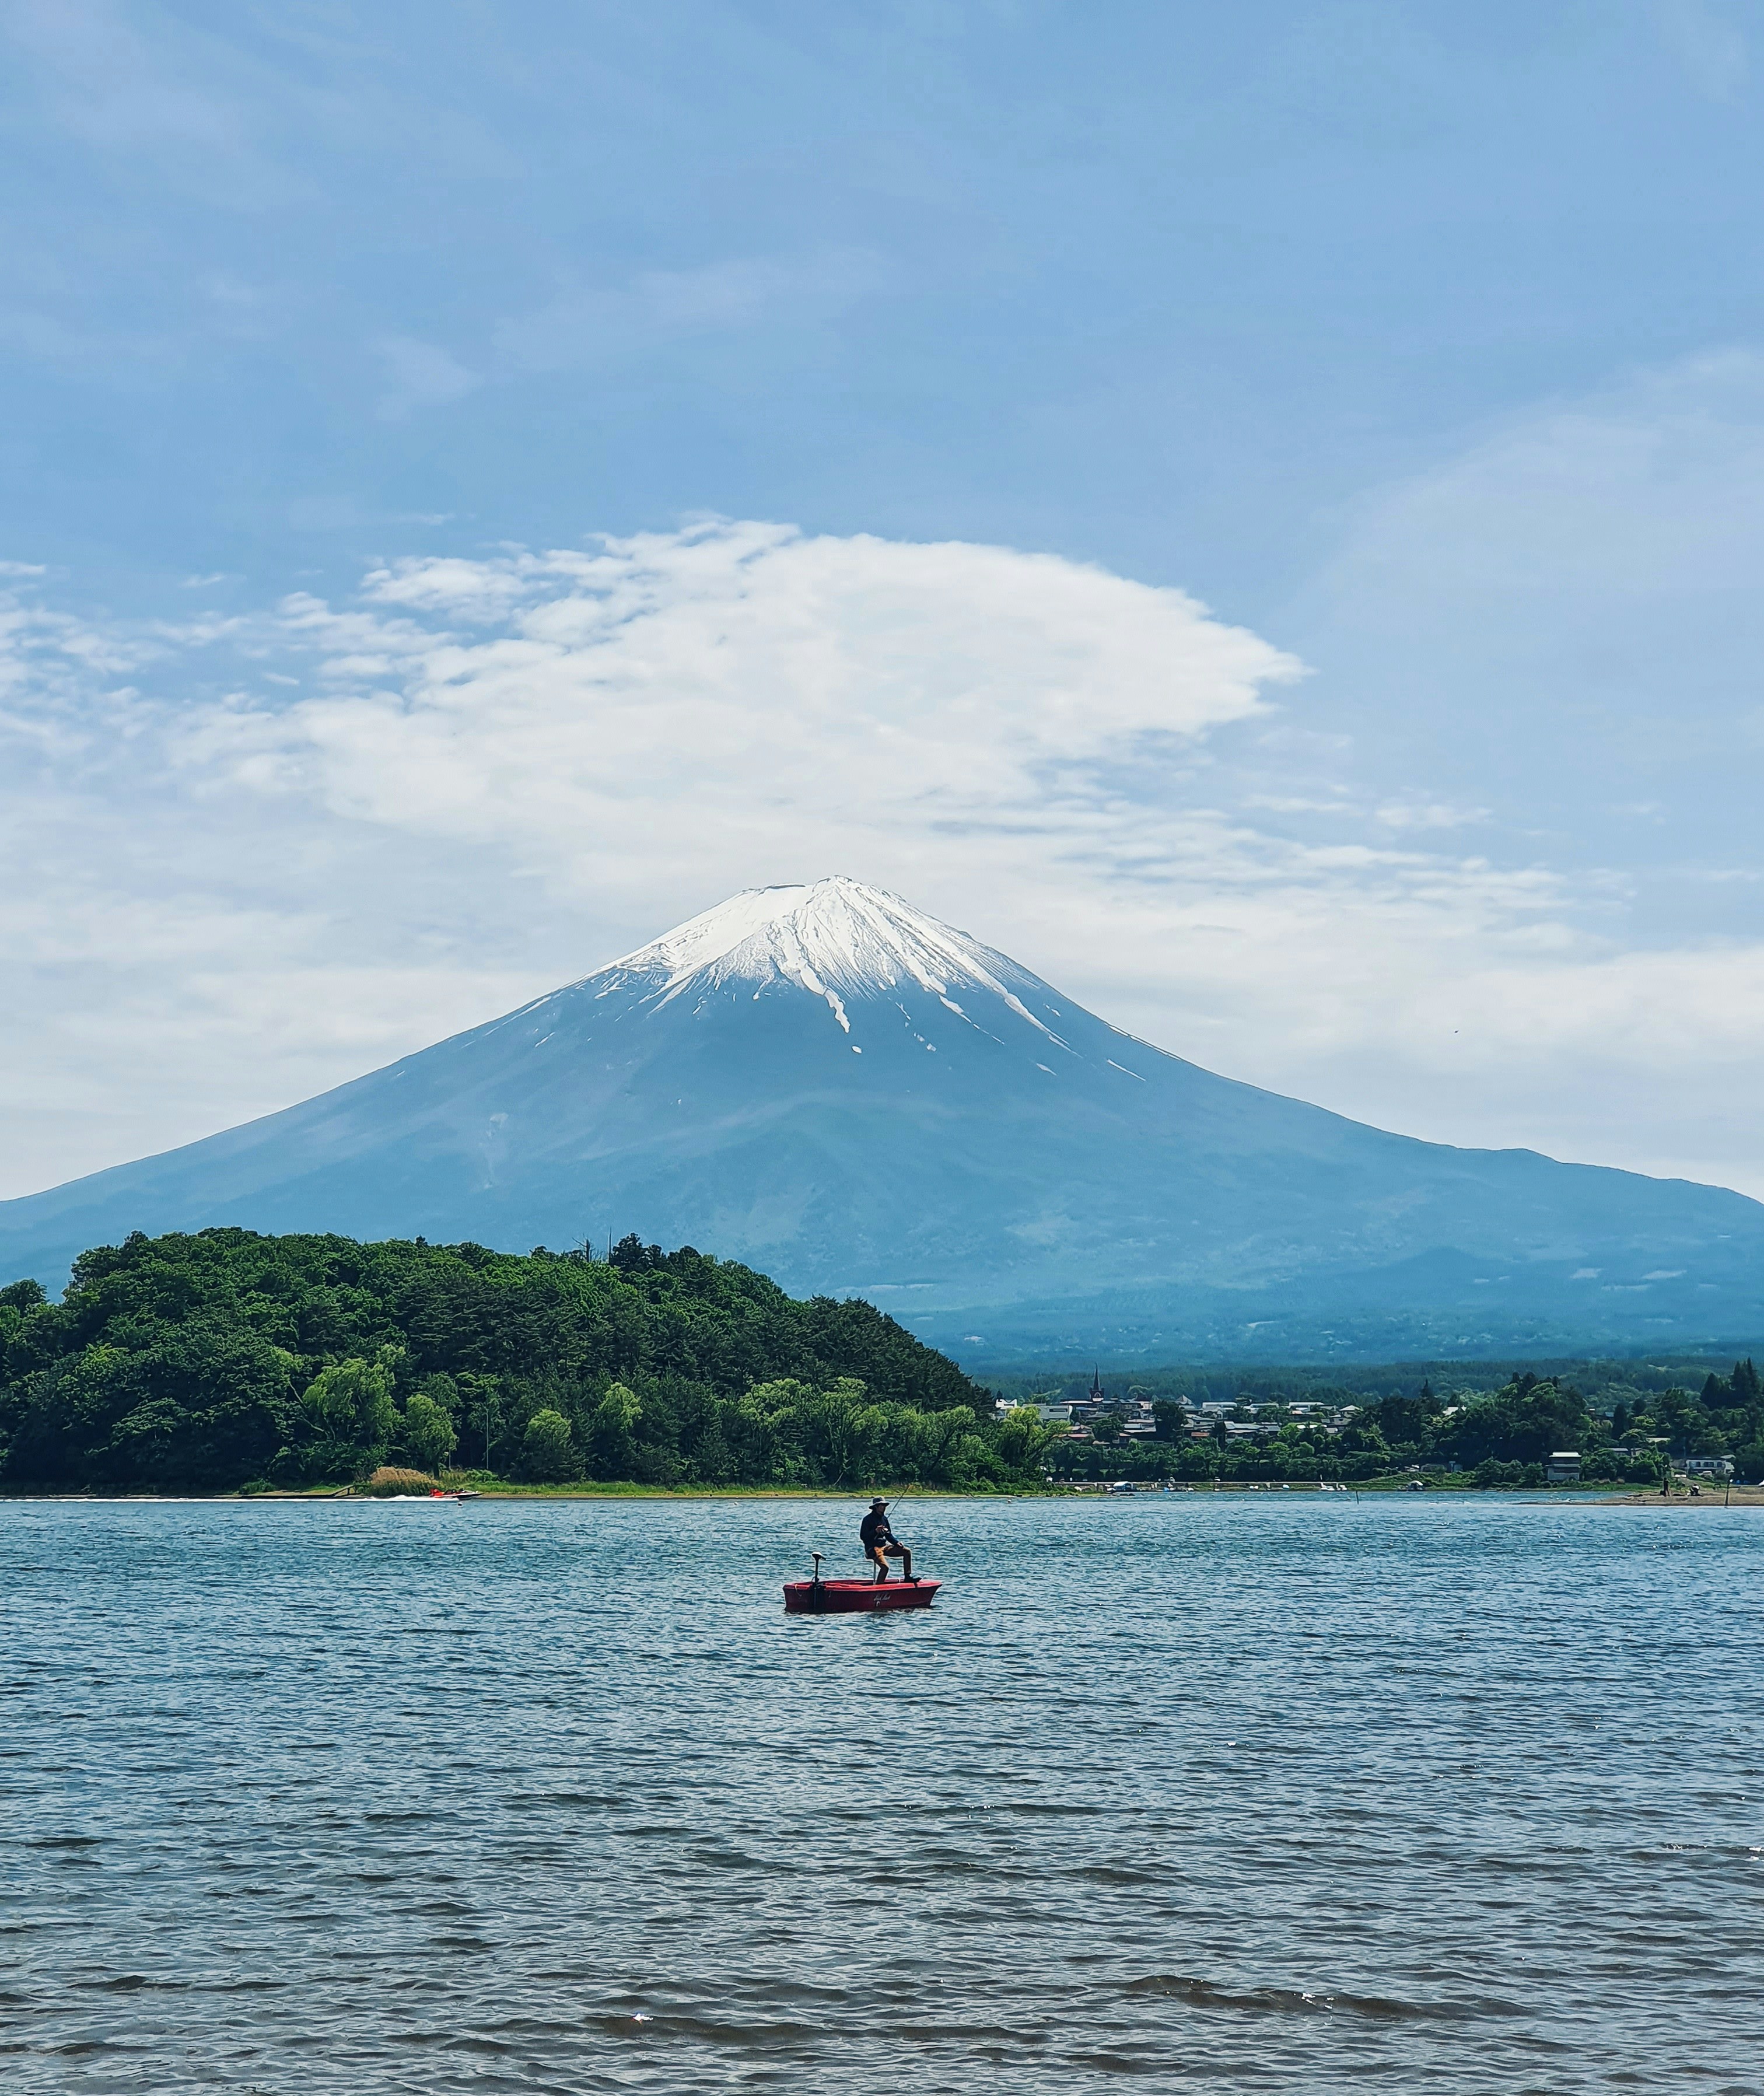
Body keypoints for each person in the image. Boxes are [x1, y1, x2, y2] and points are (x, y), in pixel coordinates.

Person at [860, 1497, 914, 1584]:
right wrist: (875, 1532)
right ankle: (878, 1587)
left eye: (885, 1506)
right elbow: (863, 1537)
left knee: (907, 1552)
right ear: (876, 1507)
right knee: (885, 1567)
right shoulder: (867, 1519)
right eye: (882, 1506)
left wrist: (896, 1542)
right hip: (873, 1549)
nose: (884, 1508)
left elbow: (888, 1535)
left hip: (884, 1547)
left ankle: (907, 1576)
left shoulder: (884, 1519)